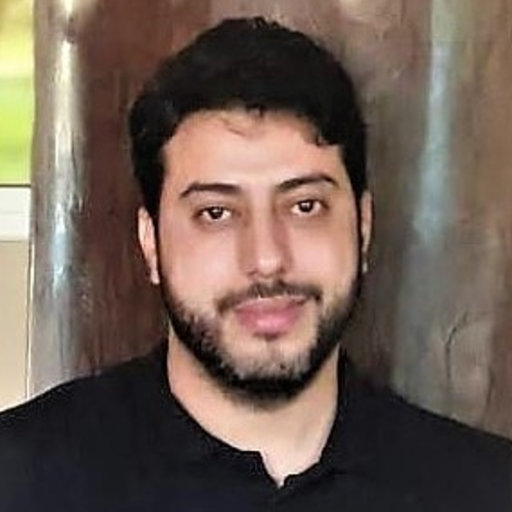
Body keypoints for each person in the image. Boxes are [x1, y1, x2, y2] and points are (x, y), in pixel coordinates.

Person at [0, 17, 510, 512]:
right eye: (216, 213)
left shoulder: (485, 490)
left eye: (305, 206)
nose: (266, 259)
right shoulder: (22, 480)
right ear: (150, 242)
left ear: (363, 225)